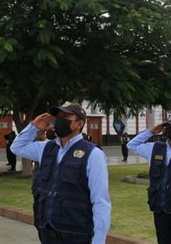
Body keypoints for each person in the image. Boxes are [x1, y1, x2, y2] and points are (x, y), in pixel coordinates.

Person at [11, 103, 111, 244]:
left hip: (75, 236)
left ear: (79, 124)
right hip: (47, 233)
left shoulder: (93, 154)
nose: (59, 120)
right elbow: (17, 147)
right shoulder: (46, 148)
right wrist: (34, 127)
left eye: (65, 117)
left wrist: (99, 241)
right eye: (58, 116)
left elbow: (100, 201)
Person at [127, 114, 171, 243]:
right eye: (168, 127)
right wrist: (151, 131)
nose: (170, 130)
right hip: (160, 208)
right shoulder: (155, 148)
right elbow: (131, 145)